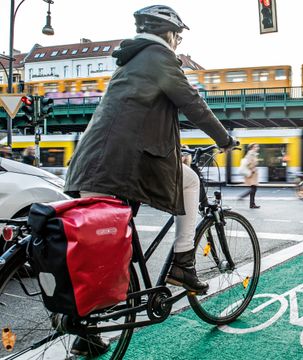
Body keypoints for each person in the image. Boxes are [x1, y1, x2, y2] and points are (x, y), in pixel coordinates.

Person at [64, 5, 235, 356]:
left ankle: (85, 331)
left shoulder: (131, 59)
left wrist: (175, 146)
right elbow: (193, 104)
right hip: (120, 167)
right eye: (179, 35)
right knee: (188, 180)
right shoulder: (158, 55)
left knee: (105, 250)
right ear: (168, 32)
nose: (179, 41)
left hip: (95, 164)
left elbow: (138, 117)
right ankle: (183, 263)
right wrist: (224, 139)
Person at [238, 143, 261, 208]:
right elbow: (248, 163)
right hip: (251, 174)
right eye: (256, 147)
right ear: (252, 148)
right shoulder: (250, 154)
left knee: (254, 189)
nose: (257, 148)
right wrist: (252, 169)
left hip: (253, 174)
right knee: (253, 189)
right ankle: (242, 196)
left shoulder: (253, 154)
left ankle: (252, 204)